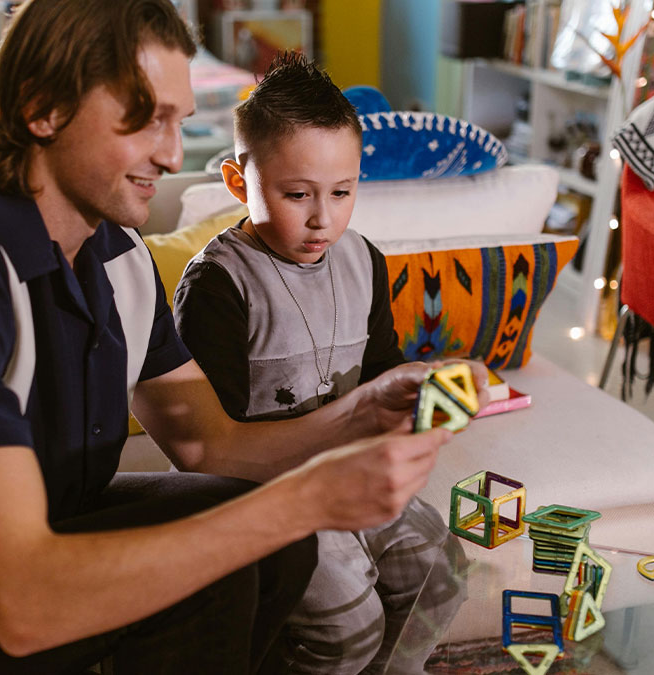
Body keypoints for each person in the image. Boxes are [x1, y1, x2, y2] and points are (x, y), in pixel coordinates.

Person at [0, 1, 461, 673]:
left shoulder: (117, 255)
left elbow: (211, 443)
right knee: (231, 551)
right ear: (42, 107)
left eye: (180, 121)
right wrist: (307, 498)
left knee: (263, 538)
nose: (173, 152)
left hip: (29, 535)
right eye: (147, 120)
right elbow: (21, 604)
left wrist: (364, 409)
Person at [173, 53, 473, 674]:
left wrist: (422, 394)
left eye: (342, 192)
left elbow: (380, 368)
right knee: (347, 629)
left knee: (441, 578)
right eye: (296, 194)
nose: (323, 218)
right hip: (273, 488)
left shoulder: (364, 259)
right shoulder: (217, 285)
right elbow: (215, 446)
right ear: (238, 182)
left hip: (356, 468)